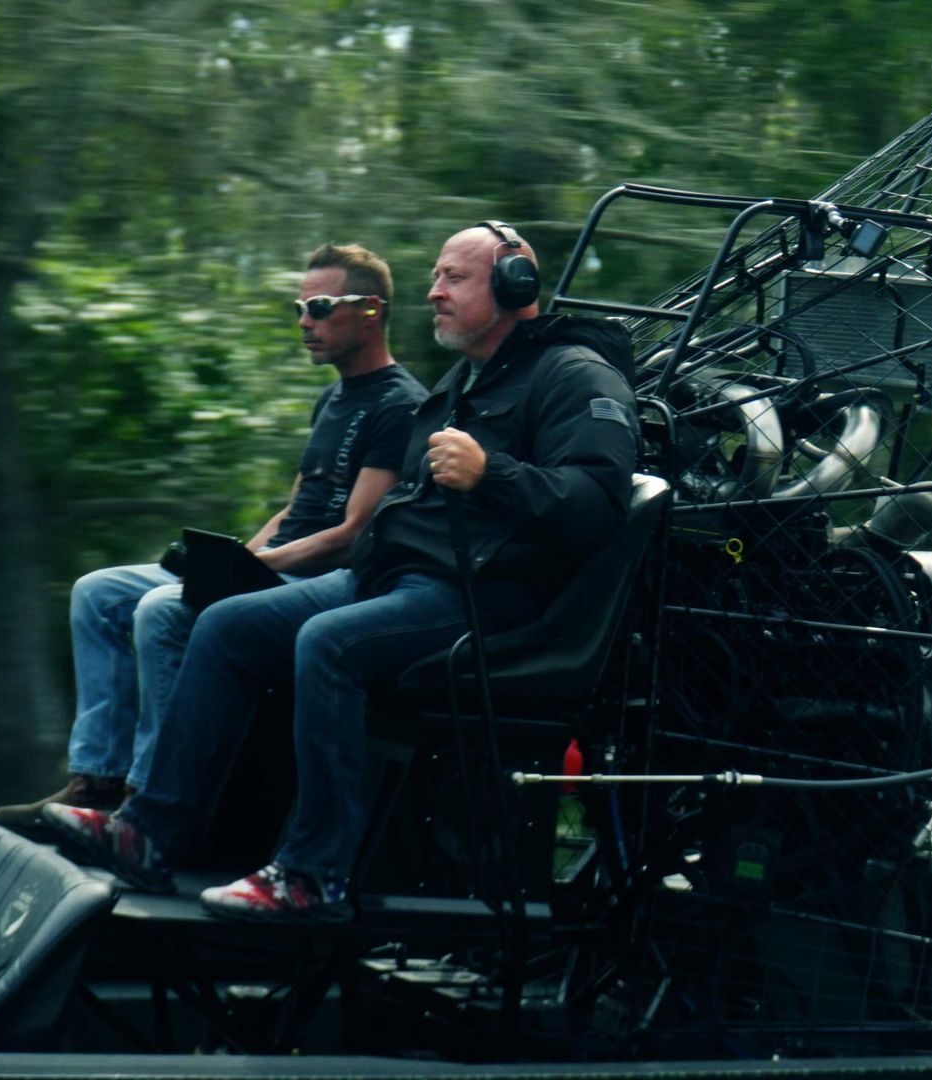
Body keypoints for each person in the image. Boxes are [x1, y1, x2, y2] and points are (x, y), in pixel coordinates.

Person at [44, 222, 639, 922]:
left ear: (515, 286)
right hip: (397, 578)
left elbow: (599, 501)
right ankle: (150, 833)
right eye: (437, 276)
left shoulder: (574, 374)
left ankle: (311, 874)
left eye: (455, 277)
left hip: (483, 598)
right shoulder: (465, 381)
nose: (434, 291)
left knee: (327, 644)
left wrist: (491, 474)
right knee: (225, 621)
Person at [0, 244, 426, 832]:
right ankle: (98, 779)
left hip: (312, 582)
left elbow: (351, 534)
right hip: (274, 564)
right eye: (299, 306)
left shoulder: (401, 405)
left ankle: (153, 803)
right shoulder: (332, 398)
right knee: (98, 592)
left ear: (371, 310)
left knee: (160, 608)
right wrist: (237, 557)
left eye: (320, 306)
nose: (304, 320)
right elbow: (298, 506)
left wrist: (259, 566)